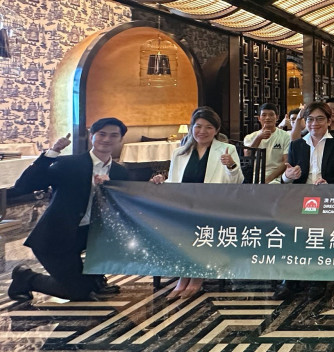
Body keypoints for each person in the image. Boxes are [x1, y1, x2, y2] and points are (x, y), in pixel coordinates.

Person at [8, 118, 130, 302]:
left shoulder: (120, 172)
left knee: (118, 241)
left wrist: (155, 183)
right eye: (102, 134)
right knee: (78, 293)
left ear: (120, 139)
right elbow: (24, 186)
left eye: (114, 135)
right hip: (55, 238)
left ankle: (94, 280)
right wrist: (52, 152)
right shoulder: (69, 164)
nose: (107, 139)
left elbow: (130, 202)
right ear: (91, 136)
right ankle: (25, 277)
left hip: (88, 235)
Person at [152, 106, 244, 299]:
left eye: (209, 127)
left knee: (199, 229)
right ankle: (183, 277)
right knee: (180, 230)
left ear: (216, 130)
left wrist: (231, 165)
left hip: (213, 207)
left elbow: (237, 183)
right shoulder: (180, 152)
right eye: (198, 126)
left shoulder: (226, 149)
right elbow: (174, 181)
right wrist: (161, 181)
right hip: (184, 206)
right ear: (191, 127)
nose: (203, 131)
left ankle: (196, 277)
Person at [275, 102, 334, 301]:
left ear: (329, 121)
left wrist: (329, 185)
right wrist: (287, 176)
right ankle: (290, 278)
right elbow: (286, 182)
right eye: (310, 119)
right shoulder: (297, 145)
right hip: (300, 200)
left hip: (329, 200)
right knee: (286, 224)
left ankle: (317, 279)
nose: (314, 123)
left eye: (320, 119)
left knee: (317, 224)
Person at [242, 103, 290, 183]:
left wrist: (268, 179)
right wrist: (259, 138)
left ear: (277, 117)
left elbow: (286, 161)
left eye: (271, 115)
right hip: (254, 178)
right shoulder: (250, 137)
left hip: (276, 178)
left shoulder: (286, 136)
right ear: (259, 118)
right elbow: (247, 155)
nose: (267, 118)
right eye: (264, 115)